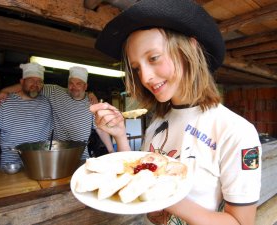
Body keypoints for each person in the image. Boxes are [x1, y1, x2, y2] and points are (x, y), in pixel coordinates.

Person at [89, 0, 262, 225]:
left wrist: (159, 191)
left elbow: (241, 223)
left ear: (190, 49)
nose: (145, 77)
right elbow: (137, 173)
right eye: (137, 68)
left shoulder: (236, 131)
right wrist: (120, 135)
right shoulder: (158, 121)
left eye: (153, 58)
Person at [0, 66, 114, 161]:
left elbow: (101, 129)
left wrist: (111, 151)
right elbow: (32, 86)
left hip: (82, 156)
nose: (74, 87)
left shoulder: (92, 103)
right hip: (57, 154)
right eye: (71, 83)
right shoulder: (55, 92)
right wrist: (5, 91)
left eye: (79, 84)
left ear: (85, 86)